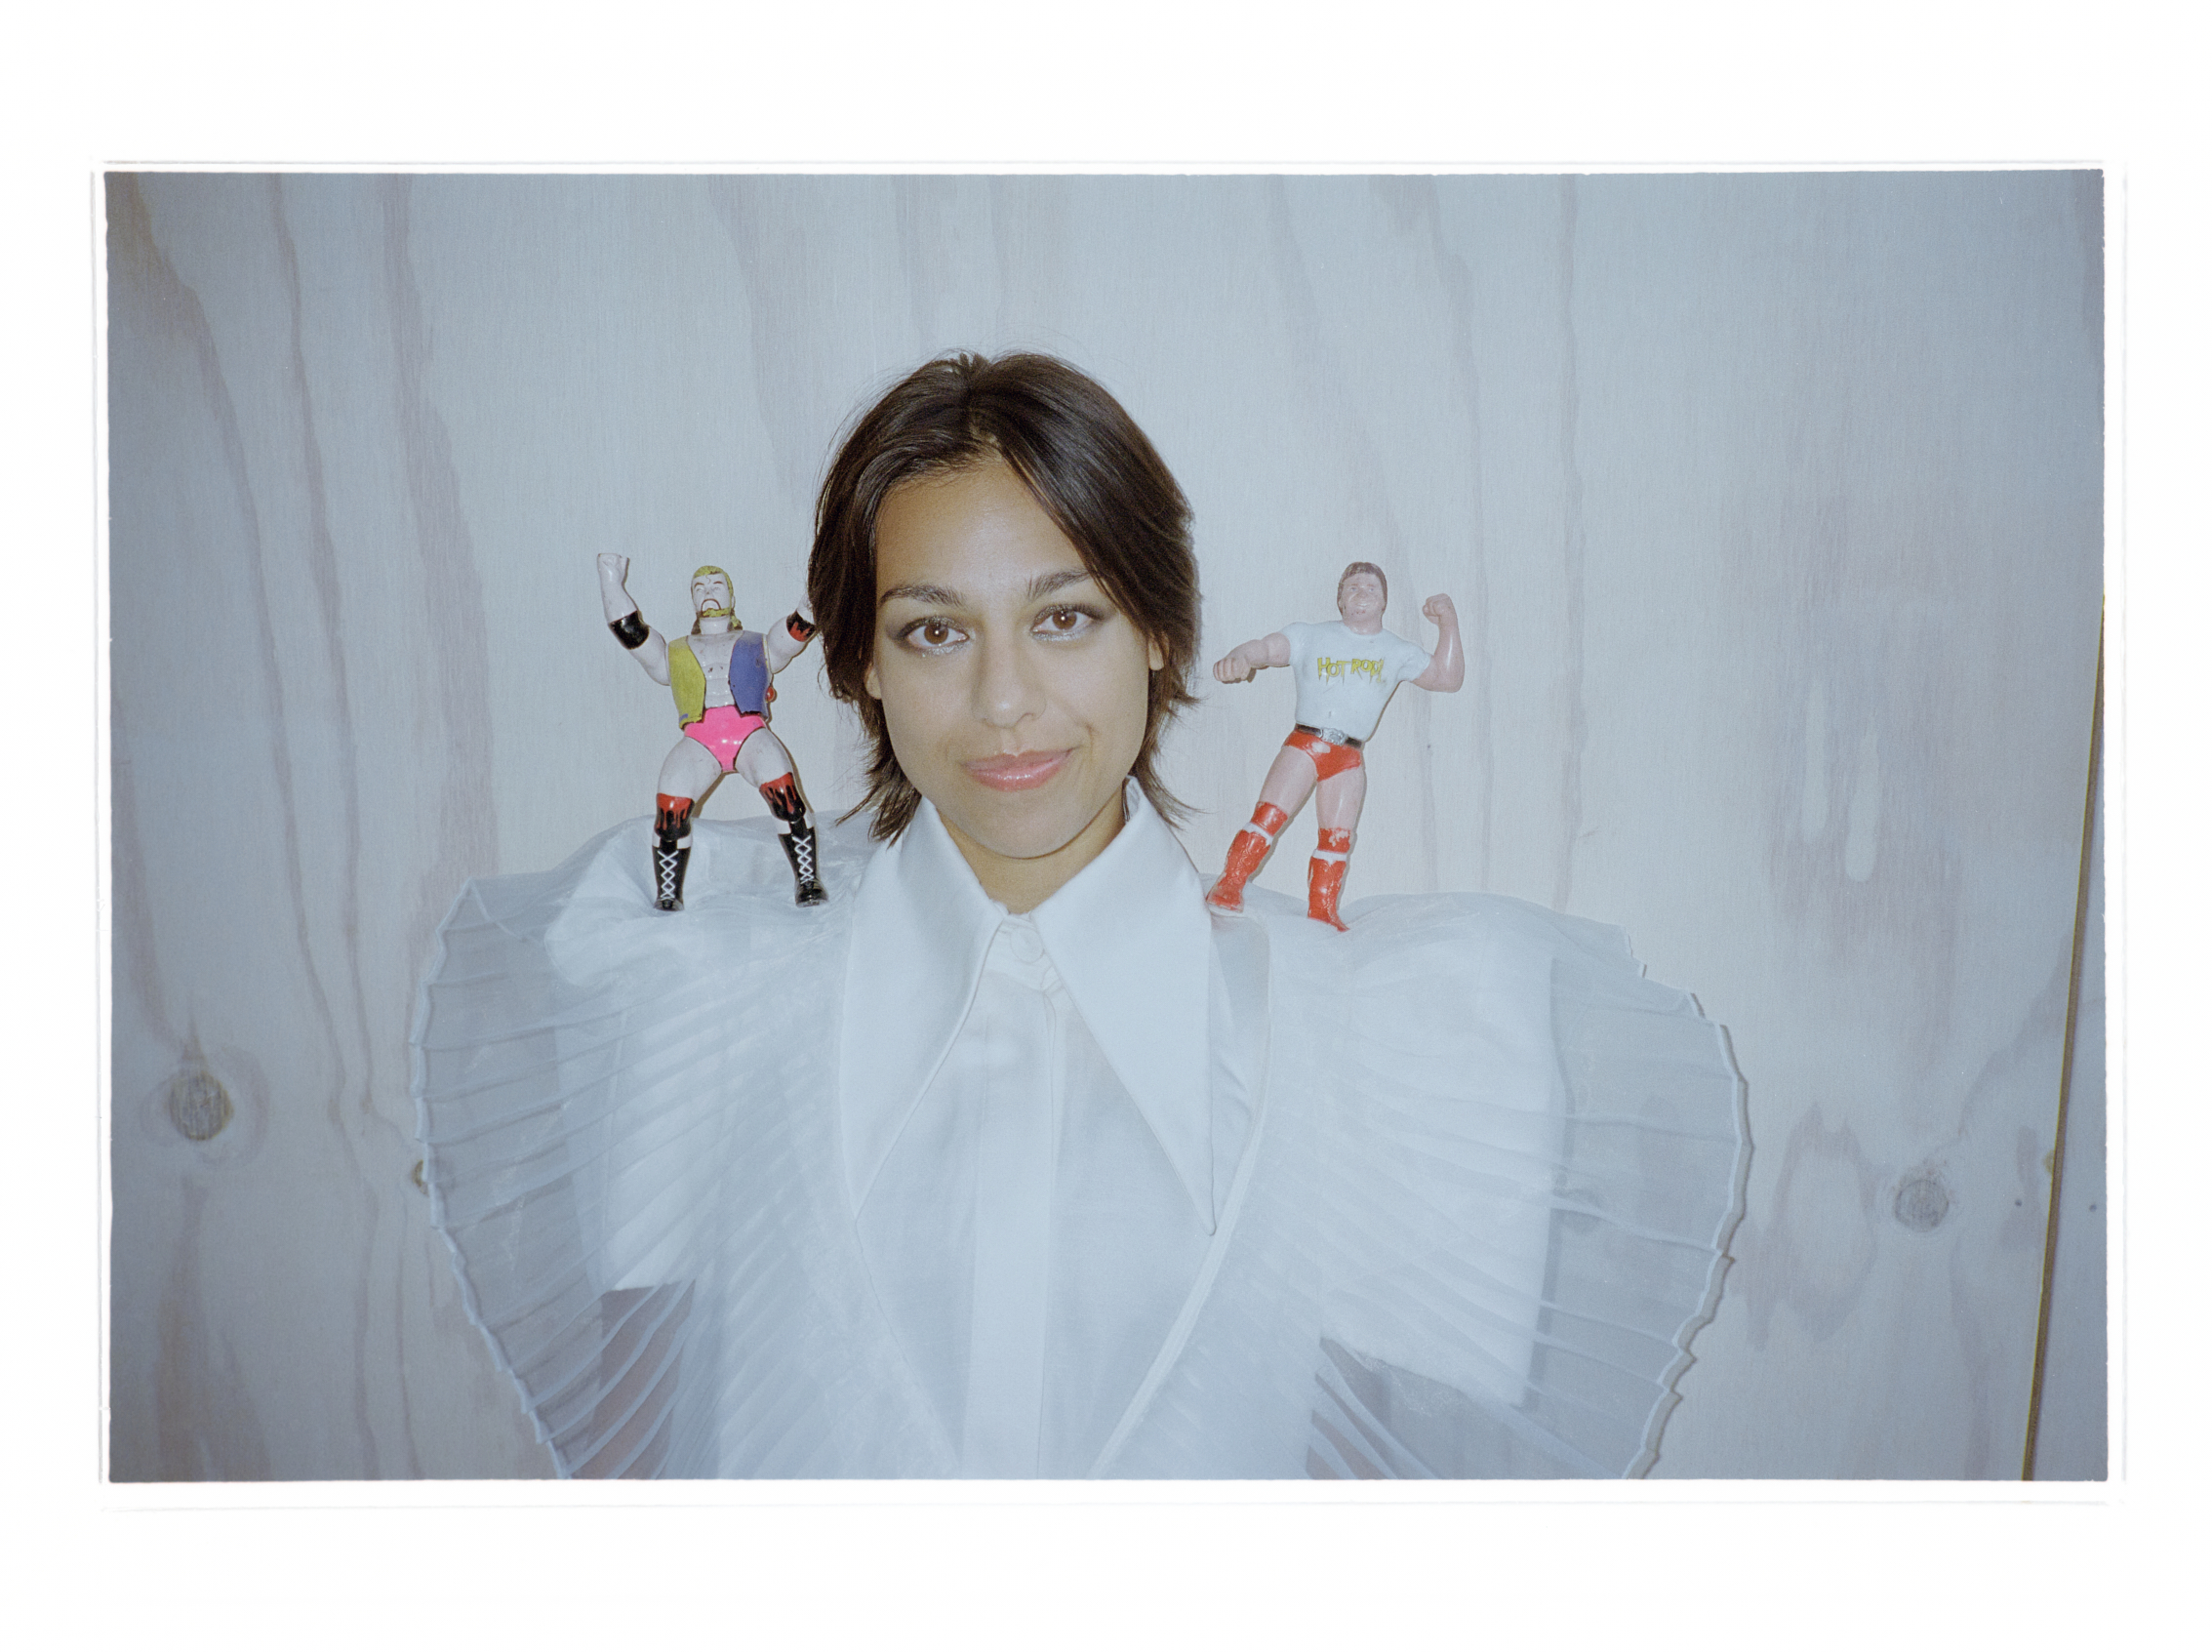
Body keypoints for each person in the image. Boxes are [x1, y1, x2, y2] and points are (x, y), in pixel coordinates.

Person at [415, 352, 1747, 1479]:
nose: (1004, 700)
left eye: (1064, 617)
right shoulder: (694, 992)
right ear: (860, 662)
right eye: (935, 631)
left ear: (1158, 630)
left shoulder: (1401, 1041)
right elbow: (649, 1452)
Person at [1207, 566, 1464, 928]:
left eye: (1371, 588)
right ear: (1340, 599)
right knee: (1268, 817)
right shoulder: (1310, 635)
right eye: (1352, 587)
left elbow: (1447, 678)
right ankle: (1230, 884)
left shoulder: (1396, 650)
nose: (1362, 593)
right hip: (1306, 744)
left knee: (1338, 837)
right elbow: (1266, 648)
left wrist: (1448, 623)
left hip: (1348, 756)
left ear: (1384, 601)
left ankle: (1323, 909)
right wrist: (1241, 657)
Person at [596, 554, 825, 908]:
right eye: (699, 588)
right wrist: (610, 581)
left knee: (787, 800)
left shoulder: (759, 643)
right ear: (691, 599)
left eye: (716, 585)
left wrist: (820, 582)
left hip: (750, 734)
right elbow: (630, 631)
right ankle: (668, 894)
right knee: (670, 811)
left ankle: (807, 880)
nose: (708, 592)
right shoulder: (673, 652)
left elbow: (801, 624)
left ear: (731, 596)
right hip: (699, 741)